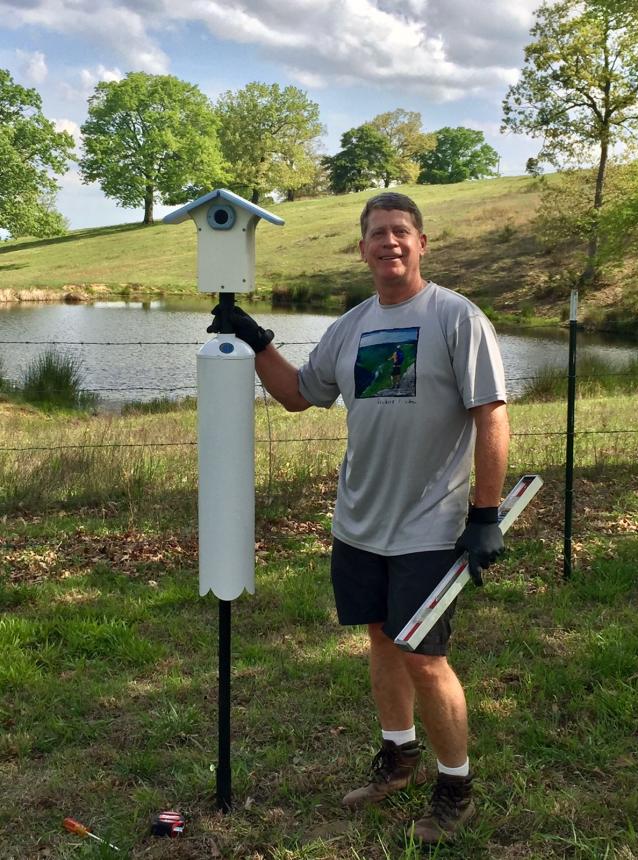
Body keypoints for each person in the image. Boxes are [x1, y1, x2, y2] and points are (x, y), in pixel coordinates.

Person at [210, 192, 509, 845]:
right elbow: (297, 395)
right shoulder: (351, 326)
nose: (389, 243)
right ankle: (397, 756)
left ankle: (454, 783)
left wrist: (483, 513)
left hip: (430, 524)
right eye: (377, 234)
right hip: (359, 524)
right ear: (362, 248)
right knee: (379, 636)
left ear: (421, 243)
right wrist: (254, 338)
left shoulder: (457, 318)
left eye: (401, 232)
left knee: (423, 655)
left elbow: (491, 414)